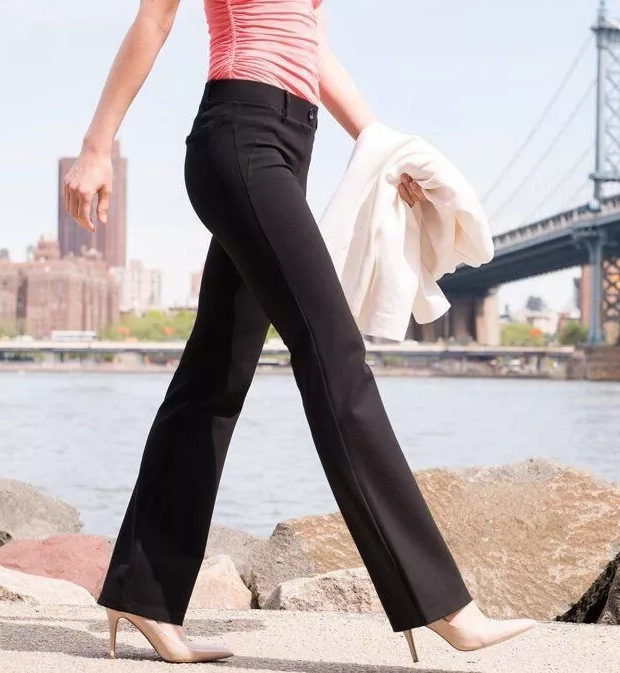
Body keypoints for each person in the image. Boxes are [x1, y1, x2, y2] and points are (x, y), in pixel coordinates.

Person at [64, 0, 536, 664]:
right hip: (240, 136)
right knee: (334, 357)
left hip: (283, 146)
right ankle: (438, 603)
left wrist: (378, 139)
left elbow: (305, 40)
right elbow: (154, 19)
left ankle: (142, 592)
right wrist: (96, 146)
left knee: (214, 376)